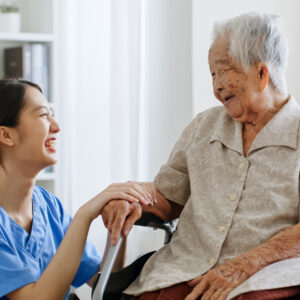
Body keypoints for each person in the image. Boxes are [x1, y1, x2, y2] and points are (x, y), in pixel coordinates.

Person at [100, 12, 300, 300]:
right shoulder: (204, 127)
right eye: (212, 74)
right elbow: (168, 198)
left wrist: (245, 264)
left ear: (261, 73)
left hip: (265, 272)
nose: (217, 86)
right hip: (187, 264)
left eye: (224, 70)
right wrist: (131, 197)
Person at [0, 79, 153, 300]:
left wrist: (119, 222)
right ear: (6, 135)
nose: (56, 126)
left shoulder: (48, 206)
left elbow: (104, 282)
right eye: (44, 115)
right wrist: (85, 215)